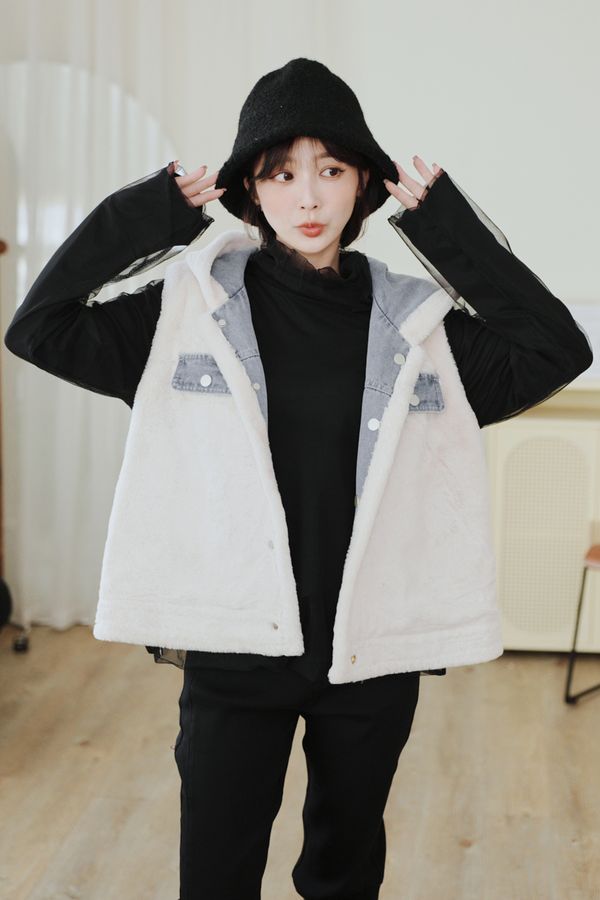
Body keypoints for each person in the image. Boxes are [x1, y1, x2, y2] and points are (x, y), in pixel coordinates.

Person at [4, 57, 592, 899]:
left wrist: (448, 231)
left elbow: (557, 349)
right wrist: (149, 216)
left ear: (364, 186)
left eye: (332, 170)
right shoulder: (184, 314)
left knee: (344, 876)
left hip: (367, 650)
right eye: (282, 173)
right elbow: (38, 328)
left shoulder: (421, 328)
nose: (308, 197)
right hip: (235, 649)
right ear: (250, 188)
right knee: (218, 875)